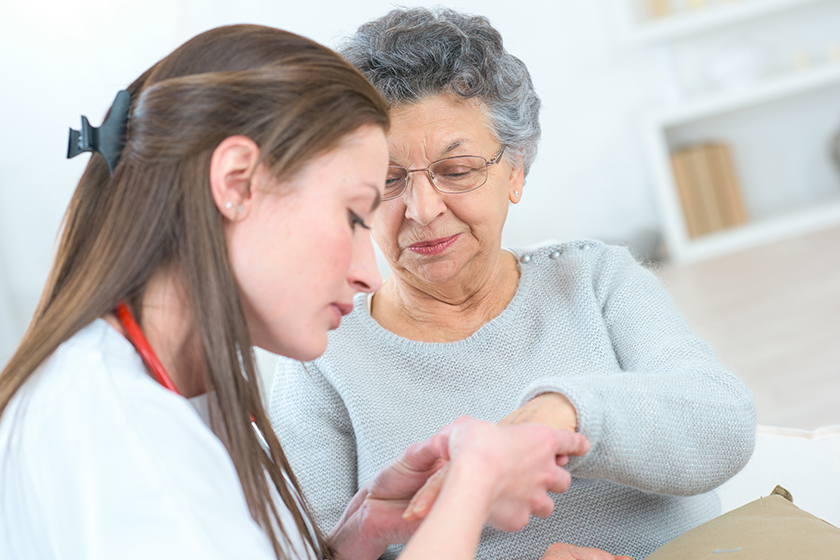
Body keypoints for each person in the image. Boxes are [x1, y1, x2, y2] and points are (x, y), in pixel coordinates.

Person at [0, 24, 594, 560]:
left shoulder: (191, 397)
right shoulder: (108, 430)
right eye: (356, 214)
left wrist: (347, 543)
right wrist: (473, 485)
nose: (370, 273)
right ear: (237, 182)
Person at [269, 8, 757, 560]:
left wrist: (558, 417)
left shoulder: (596, 280)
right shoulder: (324, 352)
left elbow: (724, 423)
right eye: (387, 180)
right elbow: (313, 550)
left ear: (516, 169)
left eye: (456, 171)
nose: (423, 210)